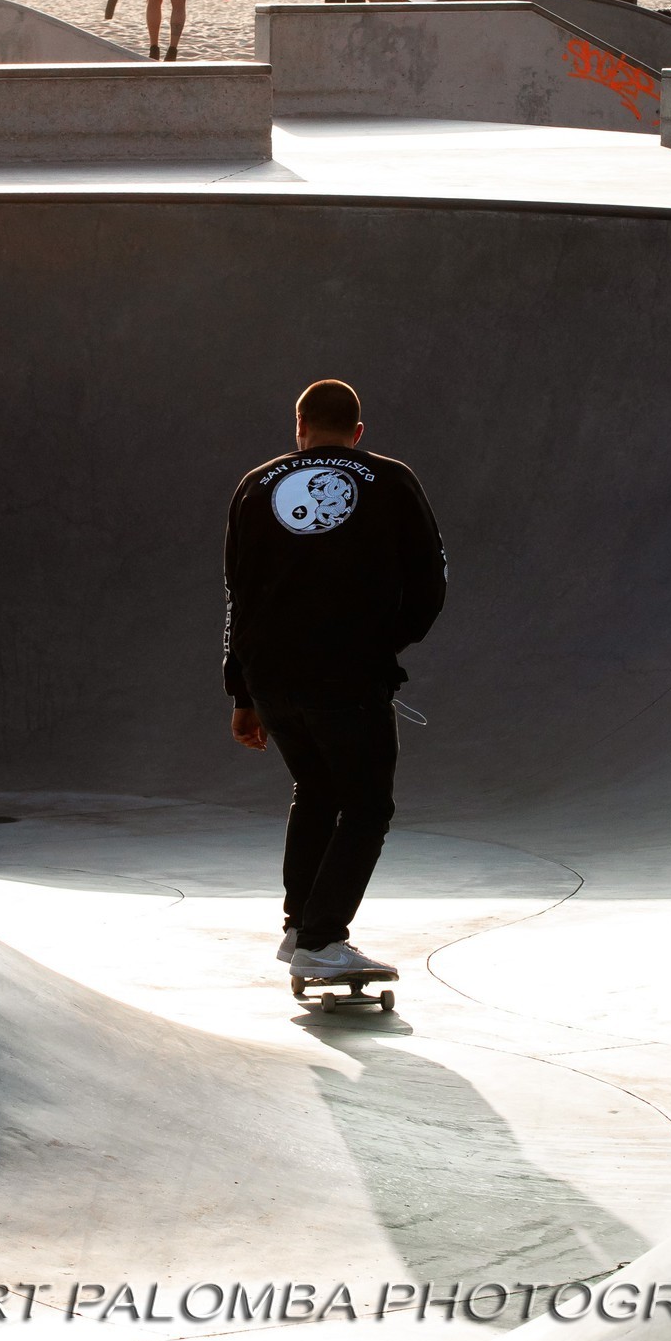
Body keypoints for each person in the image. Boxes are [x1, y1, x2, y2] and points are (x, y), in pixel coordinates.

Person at [224, 377, 447, 986]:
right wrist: (381, 646)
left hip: (270, 680)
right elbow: (430, 582)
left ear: (299, 429)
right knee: (368, 805)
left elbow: (237, 596)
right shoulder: (391, 479)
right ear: (357, 432)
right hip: (344, 677)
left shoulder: (255, 485)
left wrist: (243, 693)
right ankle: (322, 940)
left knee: (317, 790)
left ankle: (300, 928)